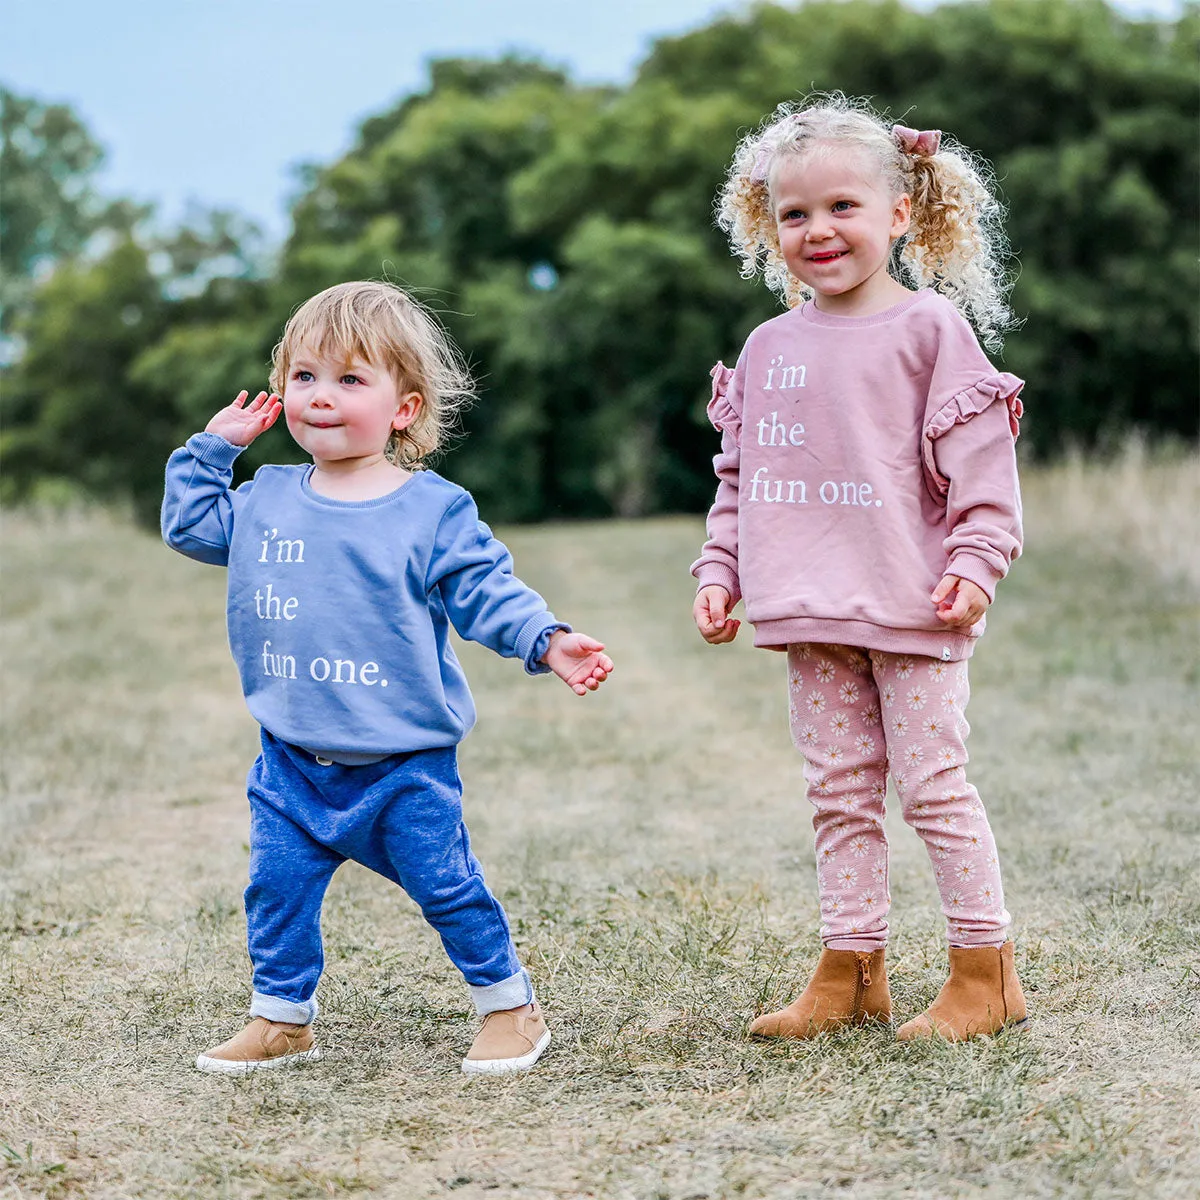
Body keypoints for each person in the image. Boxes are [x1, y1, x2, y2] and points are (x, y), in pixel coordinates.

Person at [162, 280, 613, 1075]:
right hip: (292, 758)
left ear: (403, 409)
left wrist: (545, 638)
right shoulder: (264, 498)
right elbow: (193, 528)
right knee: (276, 893)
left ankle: (511, 1005)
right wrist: (213, 449)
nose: (321, 397)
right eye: (304, 377)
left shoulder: (431, 511)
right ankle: (281, 1015)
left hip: (401, 764)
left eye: (350, 379)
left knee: (446, 887)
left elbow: (484, 592)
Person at [692, 95, 1028, 1042]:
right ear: (770, 227)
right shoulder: (768, 347)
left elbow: (983, 476)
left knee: (932, 789)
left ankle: (984, 972)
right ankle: (852, 971)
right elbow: (738, 480)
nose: (819, 230)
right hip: (808, 611)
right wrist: (721, 568)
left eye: (843, 206)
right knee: (838, 795)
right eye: (794, 214)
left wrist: (976, 561)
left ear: (900, 215)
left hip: (914, 605)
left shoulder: (930, 332)